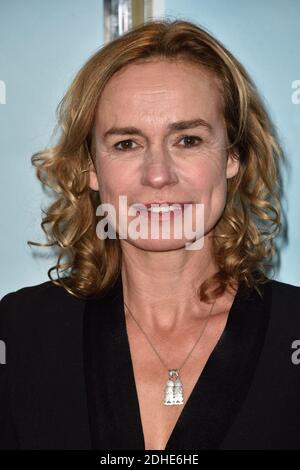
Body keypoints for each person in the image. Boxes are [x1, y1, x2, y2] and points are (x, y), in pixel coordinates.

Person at [0, 18, 300, 451]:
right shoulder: (21, 334)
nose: (158, 175)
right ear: (89, 167)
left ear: (233, 156)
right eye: (127, 143)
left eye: (188, 140)